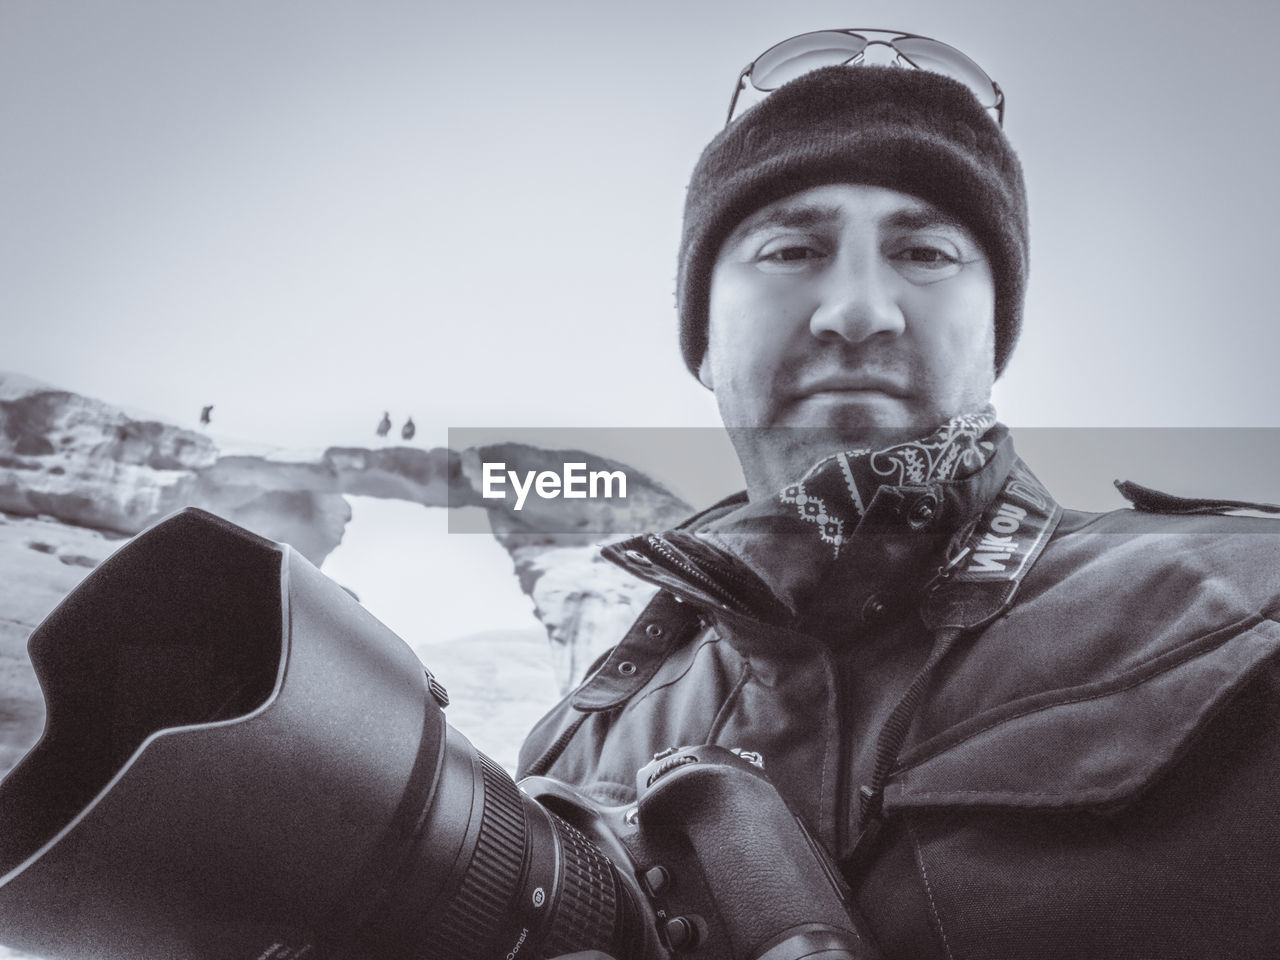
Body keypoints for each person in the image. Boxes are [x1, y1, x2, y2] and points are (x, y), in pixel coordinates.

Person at [520, 29, 1280, 960]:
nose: (857, 312)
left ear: (993, 330)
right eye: (792, 249)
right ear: (705, 340)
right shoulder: (574, 750)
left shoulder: (1248, 617)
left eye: (924, 254)